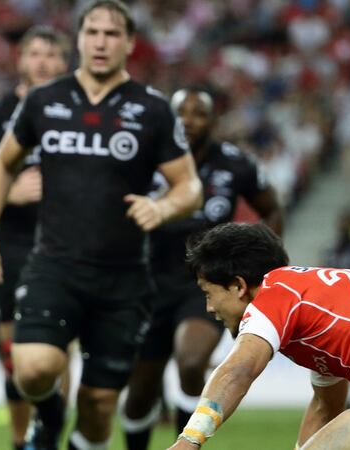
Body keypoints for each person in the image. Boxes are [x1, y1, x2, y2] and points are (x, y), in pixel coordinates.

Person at [0, 2, 203, 449]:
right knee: (33, 369)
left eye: (112, 34)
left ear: (130, 43)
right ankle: (51, 415)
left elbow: (189, 186)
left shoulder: (152, 109)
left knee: (98, 409)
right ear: (78, 39)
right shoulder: (44, 100)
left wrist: (163, 207)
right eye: (92, 31)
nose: (100, 41)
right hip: (53, 265)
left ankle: (72, 436)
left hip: (124, 277)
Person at [121, 87, 284, 450]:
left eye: (199, 112)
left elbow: (270, 208)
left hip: (205, 287)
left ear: (213, 120)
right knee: (139, 394)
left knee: (191, 361)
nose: (189, 120)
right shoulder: (143, 161)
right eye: (182, 112)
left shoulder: (236, 163)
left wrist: (263, 265)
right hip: (145, 285)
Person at [0, 25, 70, 449]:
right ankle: (22, 440)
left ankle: (52, 436)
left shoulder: (78, 112)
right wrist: (12, 188)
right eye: (33, 53)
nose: (41, 61)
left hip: (65, 244)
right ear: (21, 60)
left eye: (50, 54)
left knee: (60, 345)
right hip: (11, 246)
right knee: (15, 352)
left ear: (63, 62)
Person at [168, 222, 350, 450]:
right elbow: (324, 408)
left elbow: (238, 370)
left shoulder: (274, 293)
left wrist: (189, 439)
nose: (209, 308)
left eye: (209, 294)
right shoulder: (315, 307)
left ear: (239, 286)